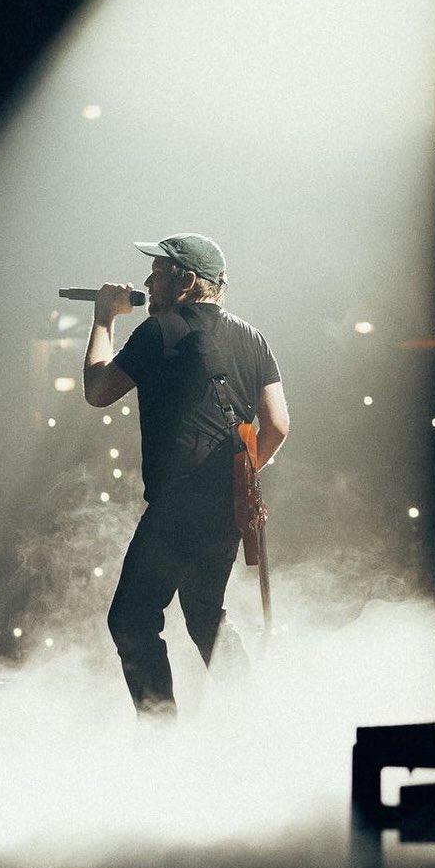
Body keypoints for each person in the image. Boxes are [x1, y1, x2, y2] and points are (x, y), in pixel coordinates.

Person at [83, 233, 290, 717]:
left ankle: (161, 738)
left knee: (132, 619)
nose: (147, 282)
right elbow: (277, 424)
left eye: (157, 273)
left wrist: (102, 319)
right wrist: (242, 478)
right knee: (204, 615)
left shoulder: (161, 331)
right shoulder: (252, 337)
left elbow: (97, 389)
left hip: (179, 505)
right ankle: (253, 718)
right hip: (227, 510)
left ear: (186, 281)